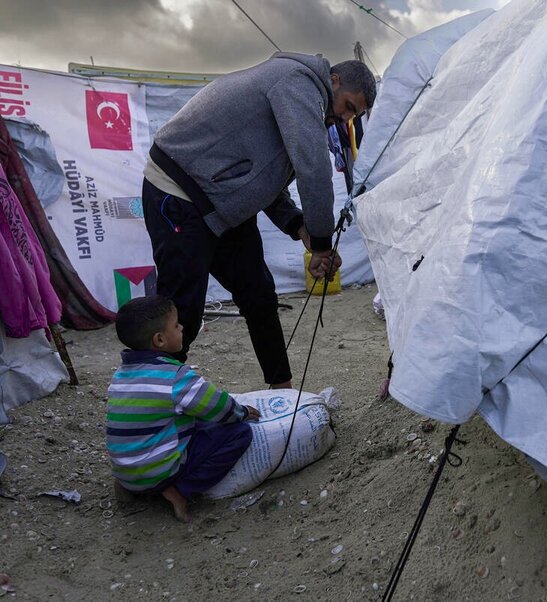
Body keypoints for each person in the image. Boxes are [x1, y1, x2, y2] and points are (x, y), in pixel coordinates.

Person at [141, 54, 377, 388]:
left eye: (354, 115)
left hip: (222, 201)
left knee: (260, 295)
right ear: (334, 81)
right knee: (182, 311)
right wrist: (322, 244)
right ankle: (154, 401)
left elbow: (260, 179)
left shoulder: (303, 98)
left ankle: (281, 391)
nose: (345, 117)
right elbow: (313, 167)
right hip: (179, 191)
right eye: (348, 107)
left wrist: (299, 226)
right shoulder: (297, 82)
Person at [107, 295, 262, 522]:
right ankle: (180, 491)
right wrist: (243, 412)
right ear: (160, 340)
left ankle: (132, 485)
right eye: (176, 325)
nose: (182, 328)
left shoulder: (120, 376)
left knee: (177, 419)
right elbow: (218, 407)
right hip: (158, 472)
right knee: (238, 433)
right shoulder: (175, 377)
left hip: (123, 472)